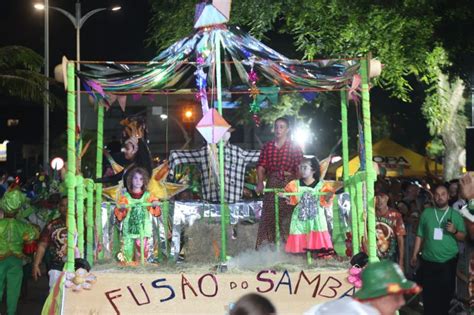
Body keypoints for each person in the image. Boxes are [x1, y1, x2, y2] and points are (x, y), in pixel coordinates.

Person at [410, 184, 466, 315]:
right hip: (428, 262)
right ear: (433, 196)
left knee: (445, 297)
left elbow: (463, 237)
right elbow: (420, 235)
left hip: (448, 263)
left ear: (448, 196)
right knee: (429, 297)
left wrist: (454, 230)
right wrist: (414, 255)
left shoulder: (455, 215)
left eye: (443, 194)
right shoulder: (427, 213)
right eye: (437, 194)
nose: (440, 197)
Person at [168, 129, 260, 204]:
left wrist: (169, 181)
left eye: (226, 131)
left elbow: (176, 156)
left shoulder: (238, 152)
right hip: (213, 201)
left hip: (230, 201)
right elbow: (176, 156)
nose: (224, 134)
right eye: (222, 132)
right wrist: (169, 183)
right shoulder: (205, 152)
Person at [304, 260, 421, 315]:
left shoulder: (354, 305)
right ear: (377, 297)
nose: (401, 302)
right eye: (396, 297)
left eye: (402, 296)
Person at [255, 117, 303, 249]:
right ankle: (269, 249)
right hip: (272, 183)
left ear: (287, 130)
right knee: (269, 217)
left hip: (289, 184)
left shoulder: (294, 146)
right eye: (276, 127)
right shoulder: (267, 146)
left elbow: (300, 167)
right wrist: (260, 183)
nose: (278, 130)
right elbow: (261, 166)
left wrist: (298, 186)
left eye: (282, 127)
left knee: (289, 216)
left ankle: (291, 248)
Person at [283, 158, 334, 256]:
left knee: (318, 246)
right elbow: (291, 199)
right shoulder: (294, 184)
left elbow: (327, 201)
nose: (302, 170)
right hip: (299, 219)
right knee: (300, 248)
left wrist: (328, 196)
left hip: (317, 219)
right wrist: (285, 196)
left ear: (313, 170)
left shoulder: (322, 185)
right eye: (300, 167)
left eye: (305, 167)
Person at [0, 190, 39, 315]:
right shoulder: (23, 226)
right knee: (14, 289)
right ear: (17, 210)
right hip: (16, 261)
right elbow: (34, 235)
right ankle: (11, 312)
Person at [114, 167, 161, 263]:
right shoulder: (125, 196)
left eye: (141, 179)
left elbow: (154, 203)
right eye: (135, 178)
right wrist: (122, 207)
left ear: (144, 181)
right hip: (128, 229)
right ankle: (128, 267)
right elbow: (120, 209)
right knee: (127, 250)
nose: (138, 181)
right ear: (131, 180)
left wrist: (155, 203)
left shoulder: (147, 196)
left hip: (143, 229)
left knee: (142, 249)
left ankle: (141, 266)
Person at [32, 195, 71, 289]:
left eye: (69, 205)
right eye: (63, 205)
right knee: (55, 295)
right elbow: (42, 245)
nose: (66, 208)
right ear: (58, 208)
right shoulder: (52, 225)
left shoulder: (82, 224)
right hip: (56, 266)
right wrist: (36, 264)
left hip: (78, 267)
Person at [374, 189, 406, 271]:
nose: (380, 200)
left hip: (391, 257)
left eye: (382, 197)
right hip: (373, 258)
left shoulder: (395, 215)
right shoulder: (369, 214)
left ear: (387, 198)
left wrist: (401, 261)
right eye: (377, 197)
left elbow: (400, 240)